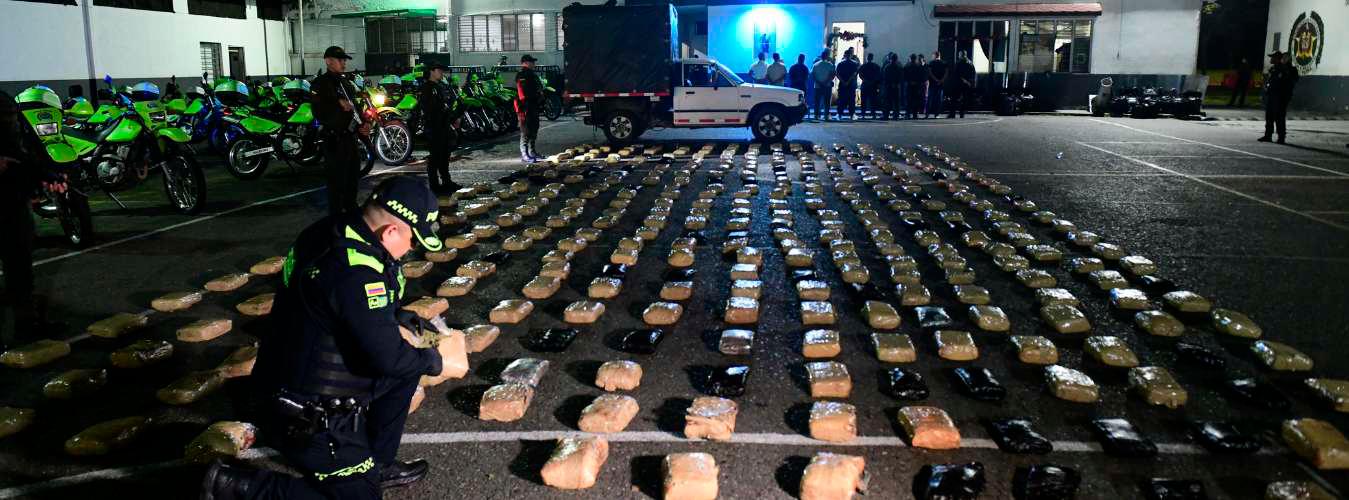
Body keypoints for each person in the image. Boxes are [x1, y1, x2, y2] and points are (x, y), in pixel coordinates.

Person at [201, 176, 451, 499]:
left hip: (285, 370)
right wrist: (432, 359)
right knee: (361, 498)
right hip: (304, 411)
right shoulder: (356, 273)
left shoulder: (333, 230)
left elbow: (340, 308)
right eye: (413, 241)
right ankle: (233, 486)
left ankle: (377, 465)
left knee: (405, 369)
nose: (411, 250)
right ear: (390, 232)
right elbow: (387, 356)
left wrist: (397, 319)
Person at [311, 46, 366, 216]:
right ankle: (336, 218)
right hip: (334, 139)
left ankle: (351, 210)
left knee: (352, 176)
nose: (343, 63)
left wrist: (364, 123)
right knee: (337, 181)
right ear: (328, 61)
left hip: (350, 137)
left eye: (344, 60)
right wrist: (337, 103)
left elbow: (355, 107)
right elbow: (319, 111)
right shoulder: (321, 83)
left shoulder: (346, 83)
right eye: (340, 60)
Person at [418, 62, 461, 195]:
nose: (442, 73)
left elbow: (445, 106)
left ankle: (447, 182)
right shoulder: (427, 88)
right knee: (435, 157)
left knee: (444, 156)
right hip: (434, 127)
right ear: (432, 71)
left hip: (443, 126)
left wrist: (452, 119)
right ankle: (434, 186)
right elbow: (431, 110)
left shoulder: (439, 86)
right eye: (439, 70)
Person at [1260, 51, 1299, 144]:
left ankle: (1281, 137)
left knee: (1279, 117)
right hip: (1271, 95)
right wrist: (1267, 88)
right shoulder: (1273, 68)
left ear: (1277, 58)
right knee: (1269, 116)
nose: (1271, 59)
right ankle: (1268, 135)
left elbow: (1290, 82)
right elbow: (1270, 81)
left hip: (1280, 97)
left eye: (1272, 57)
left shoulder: (1285, 69)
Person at [515, 54, 544, 162]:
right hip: (525, 106)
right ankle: (524, 154)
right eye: (532, 62)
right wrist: (525, 105)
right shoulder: (522, 74)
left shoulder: (532, 74)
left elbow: (538, 88)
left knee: (534, 128)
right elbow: (522, 92)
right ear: (525, 63)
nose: (534, 64)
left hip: (533, 105)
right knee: (526, 130)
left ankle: (532, 151)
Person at [947, 50, 976, 118]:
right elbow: (973, 73)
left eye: (959, 54)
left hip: (959, 83)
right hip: (967, 84)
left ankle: (952, 113)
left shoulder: (959, 62)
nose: (958, 56)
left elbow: (956, 73)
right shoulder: (970, 62)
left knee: (954, 98)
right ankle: (962, 113)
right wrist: (970, 82)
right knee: (964, 99)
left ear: (961, 55)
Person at [810, 51, 836, 121]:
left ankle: (816, 115)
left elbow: (813, 75)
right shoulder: (830, 65)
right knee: (826, 102)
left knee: (817, 102)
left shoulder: (815, 65)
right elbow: (832, 75)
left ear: (821, 56)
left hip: (817, 86)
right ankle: (826, 115)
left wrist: (819, 82)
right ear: (827, 56)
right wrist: (826, 82)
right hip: (827, 86)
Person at [835, 49, 859, 120]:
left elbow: (837, 74)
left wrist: (843, 81)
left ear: (844, 55)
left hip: (842, 85)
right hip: (851, 84)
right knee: (851, 100)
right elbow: (854, 74)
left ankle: (839, 114)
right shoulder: (854, 64)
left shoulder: (840, 64)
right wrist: (848, 81)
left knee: (841, 100)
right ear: (851, 55)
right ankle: (852, 114)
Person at [858, 53, 881, 119]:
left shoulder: (863, 66)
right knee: (873, 101)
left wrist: (865, 81)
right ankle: (873, 114)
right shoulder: (876, 66)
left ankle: (863, 114)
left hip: (865, 85)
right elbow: (878, 76)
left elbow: (860, 75)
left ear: (866, 58)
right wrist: (873, 82)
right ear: (872, 58)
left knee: (864, 101)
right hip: (873, 85)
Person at [925, 51, 948, 118]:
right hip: (940, 84)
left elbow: (930, 72)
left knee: (930, 99)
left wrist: (935, 79)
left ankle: (927, 114)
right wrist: (941, 80)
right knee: (939, 100)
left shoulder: (931, 63)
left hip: (932, 83)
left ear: (935, 55)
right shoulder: (944, 63)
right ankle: (936, 114)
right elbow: (946, 72)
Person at [881, 53, 902, 120]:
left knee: (887, 101)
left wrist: (889, 83)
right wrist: (896, 83)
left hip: (888, 86)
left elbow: (885, 77)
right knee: (896, 102)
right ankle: (896, 115)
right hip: (896, 86)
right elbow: (901, 77)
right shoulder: (899, 67)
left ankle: (886, 115)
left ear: (890, 59)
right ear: (896, 59)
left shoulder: (887, 67)